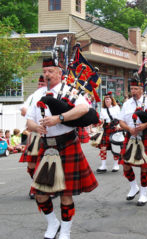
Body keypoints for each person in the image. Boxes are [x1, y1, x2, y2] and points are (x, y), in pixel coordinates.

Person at [26, 58, 98, 239]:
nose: (47, 74)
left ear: (59, 73)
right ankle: (53, 223)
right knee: (40, 194)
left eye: (51, 71)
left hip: (67, 144)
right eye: (45, 71)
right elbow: (29, 121)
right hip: (46, 146)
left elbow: (83, 109)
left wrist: (59, 119)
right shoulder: (37, 95)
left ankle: (65, 231)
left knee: (66, 195)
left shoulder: (69, 90)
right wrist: (37, 128)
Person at [117, 78, 147, 206]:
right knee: (125, 164)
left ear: (142, 89)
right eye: (131, 89)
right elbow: (121, 121)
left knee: (144, 167)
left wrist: (145, 125)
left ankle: (143, 194)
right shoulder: (126, 104)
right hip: (130, 136)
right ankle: (133, 187)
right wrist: (129, 129)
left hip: (145, 136)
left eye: (136, 89)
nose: (133, 91)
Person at [19, 75, 47, 199]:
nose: (40, 86)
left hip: (47, 134)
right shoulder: (34, 96)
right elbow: (23, 110)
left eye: (42, 84)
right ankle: (38, 184)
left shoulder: (51, 94)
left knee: (43, 163)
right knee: (31, 164)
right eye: (39, 84)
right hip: (34, 134)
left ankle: (36, 187)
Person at [96, 91, 121, 173]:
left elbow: (120, 118)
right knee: (103, 147)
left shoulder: (116, 107)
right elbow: (102, 120)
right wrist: (100, 123)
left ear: (111, 100)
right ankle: (103, 165)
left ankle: (116, 165)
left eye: (108, 99)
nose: (107, 100)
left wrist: (119, 126)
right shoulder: (102, 109)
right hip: (106, 128)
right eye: (106, 99)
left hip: (114, 128)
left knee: (115, 147)